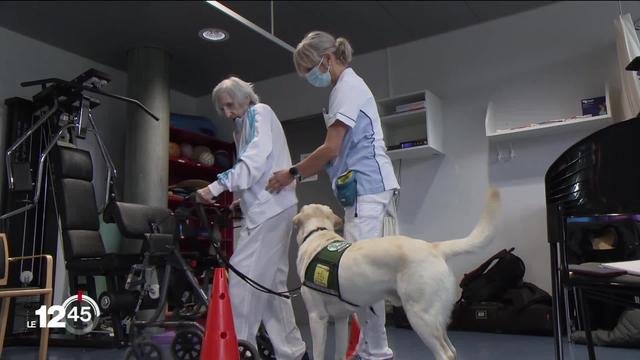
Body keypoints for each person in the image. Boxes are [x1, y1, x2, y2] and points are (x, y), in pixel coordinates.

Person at [267, 31, 399, 360]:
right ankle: (374, 348)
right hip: (361, 191)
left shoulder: (348, 87)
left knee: (359, 275)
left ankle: (377, 351)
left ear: (326, 59)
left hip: (370, 187)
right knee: (360, 274)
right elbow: (335, 154)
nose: (311, 77)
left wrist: (290, 173)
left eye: (310, 69)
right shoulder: (342, 90)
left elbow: (331, 147)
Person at [197, 77, 307, 360]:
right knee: (270, 286)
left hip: (270, 209)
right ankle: (293, 353)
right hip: (264, 208)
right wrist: (241, 197)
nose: (226, 113)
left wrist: (215, 187)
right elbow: (254, 167)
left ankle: (237, 349)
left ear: (245, 97)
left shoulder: (259, 112)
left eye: (229, 105)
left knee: (243, 278)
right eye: (221, 109)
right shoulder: (240, 125)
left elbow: (257, 158)